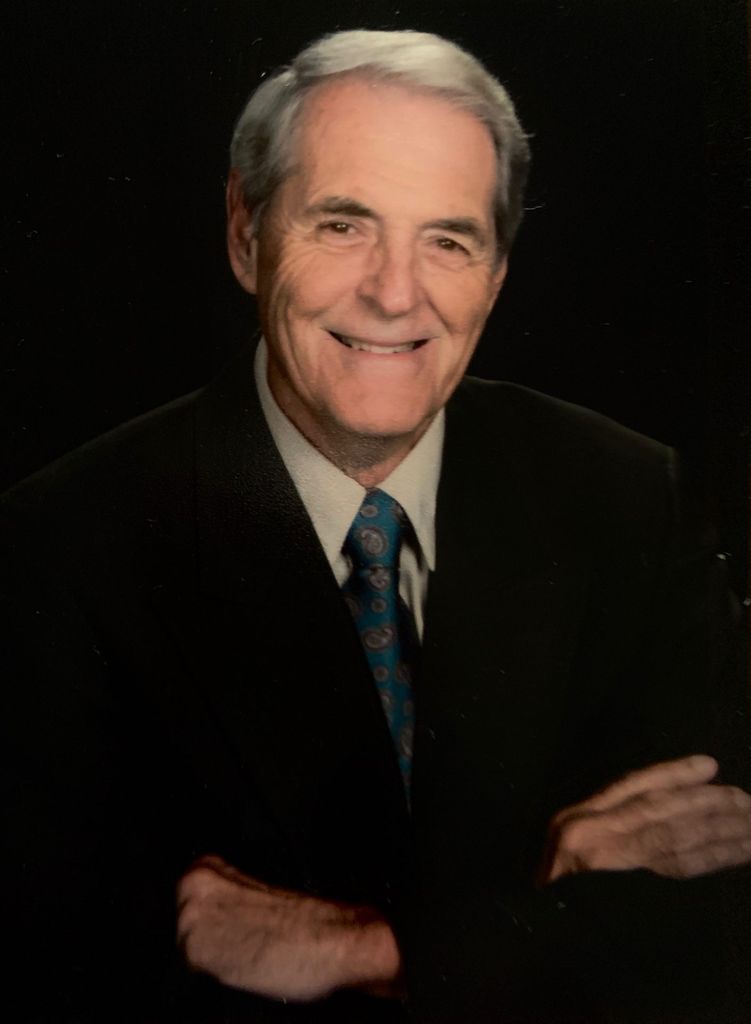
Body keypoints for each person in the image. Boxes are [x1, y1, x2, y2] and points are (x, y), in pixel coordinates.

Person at [3, 29, 750, 1024]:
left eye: (448, 240)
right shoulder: (59, 548)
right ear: (244, 234)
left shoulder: (627, 498)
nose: (395, 293)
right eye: (343, 224)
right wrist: (542, 896)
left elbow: (717, 931)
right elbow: (67, 970)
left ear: (496, 272)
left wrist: (375, 948)